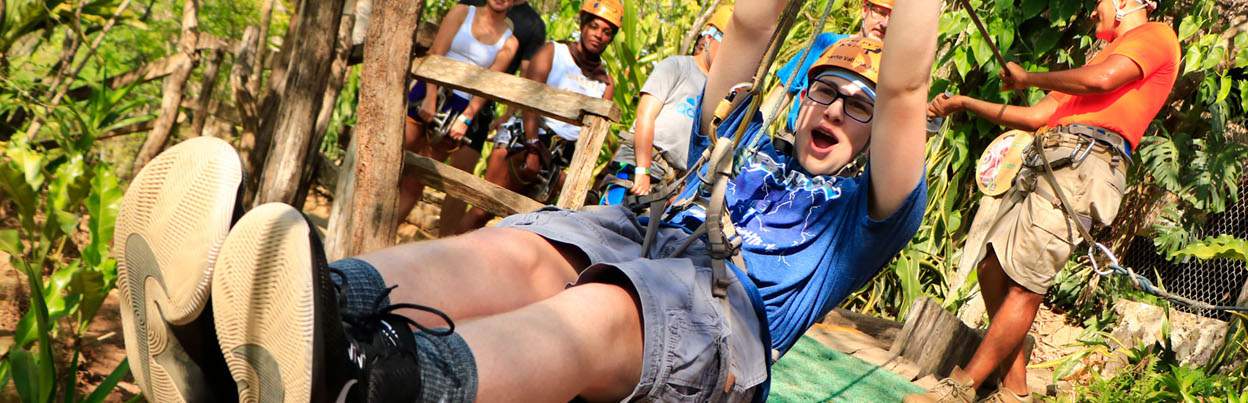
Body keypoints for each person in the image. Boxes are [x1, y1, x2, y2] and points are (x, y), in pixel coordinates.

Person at [109, 0, 940, 400]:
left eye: (856, 104)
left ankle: (379, 383)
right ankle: (279, 312)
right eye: (826, 90)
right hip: (641, 231)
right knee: (523, 248)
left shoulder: (868, 215)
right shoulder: (741, 138)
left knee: (612, 310)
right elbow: (754, 24)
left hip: (722, 325)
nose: (835, 107)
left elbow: (905, 84)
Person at [906, 0, 1179, 401]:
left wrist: (1028, 76)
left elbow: (1103, 80)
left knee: (1025, 286)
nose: (1092, 12)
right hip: (1050, 158)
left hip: (1086, 164)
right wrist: (964, 103)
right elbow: (1037, 117)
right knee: (992, 268)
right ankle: (1015, 389)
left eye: (1100, 2)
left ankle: (960, 389)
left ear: (1125, 2)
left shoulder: (1155, 37)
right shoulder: (1094, 63)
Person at [458, 0, 621, 229]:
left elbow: (594, 133)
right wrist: (532, 145)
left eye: (606, 32)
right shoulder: (554, 52)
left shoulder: (605, 81)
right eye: (594, 26)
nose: (598, 35)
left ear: (611, 38)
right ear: (583, 25)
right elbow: (530, 97)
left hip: (558, 157)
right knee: (483, 209)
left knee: (527, 226)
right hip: (525, 139)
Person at [397, 0, 519, 228]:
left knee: (415, 182)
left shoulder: (510, 42)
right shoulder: (462, 12)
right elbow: (437, 53)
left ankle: (379, 239)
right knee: (392, 157)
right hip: (429, 88)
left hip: (460, 107)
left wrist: (466, 118)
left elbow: (488, 84)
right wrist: (430, 96)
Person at [598, 7, 731, 205]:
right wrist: (642, 170)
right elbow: (645, 116)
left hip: (673, 182)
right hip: (643, 163)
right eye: (726, 44)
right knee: (608, 222)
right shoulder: (676, 67)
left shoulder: (720, 93)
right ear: (710, 38)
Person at [766, 0, 891, 134]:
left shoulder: (892, 70)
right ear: (865, 10)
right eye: (880, 13)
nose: (885, 23)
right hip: (791, 142)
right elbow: (783, 92)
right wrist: (749, 138)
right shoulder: (826, 43)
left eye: (893, 19)